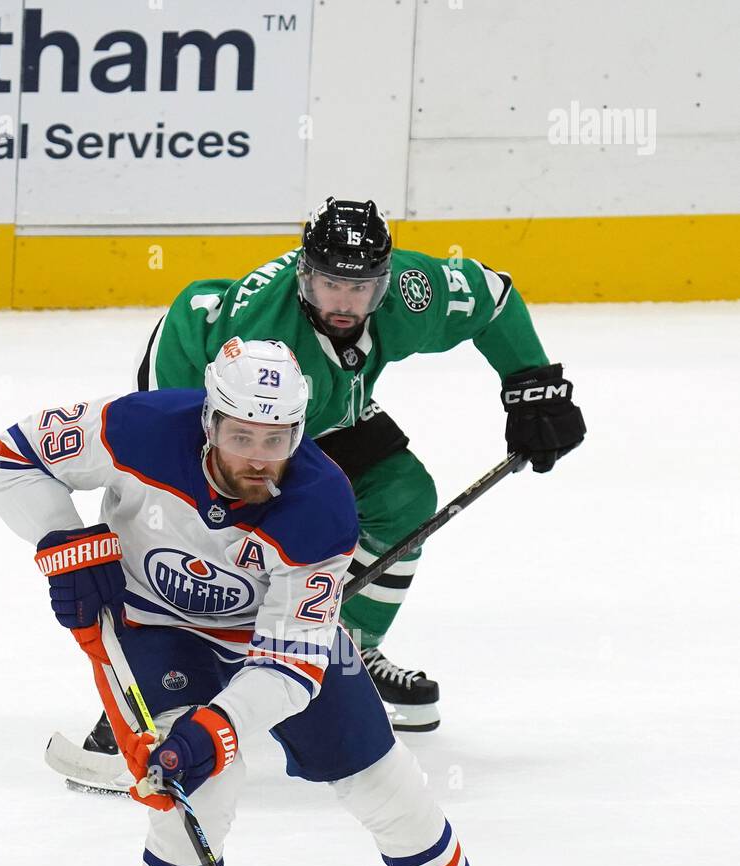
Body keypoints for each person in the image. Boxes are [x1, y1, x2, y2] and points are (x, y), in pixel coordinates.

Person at [0, 338, 565, 866]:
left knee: (386, 782)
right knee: (195, 801)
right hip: (158, 632)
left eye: (277, 439)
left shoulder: (320, 506)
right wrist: (63, 540)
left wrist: (217, 729)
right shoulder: (137, 427)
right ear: (209, 422)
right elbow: (9, 456)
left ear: (299, 430)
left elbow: (289, 666)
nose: (259, 456)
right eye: (241, 436)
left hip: (272, 643)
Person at [65, 196, 585, 788]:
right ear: (302, 275)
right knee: (206, 538)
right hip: (208, 406)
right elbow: (206, 437)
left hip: (320, 409)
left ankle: (348, 652)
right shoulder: (262, 328)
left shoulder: (413, 291)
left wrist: (533, 384)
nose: (344, 303)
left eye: (360, 289)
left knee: (403, 497)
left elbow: (493, 299)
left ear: (385, 284)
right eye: (330, 285)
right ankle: (152, 691)